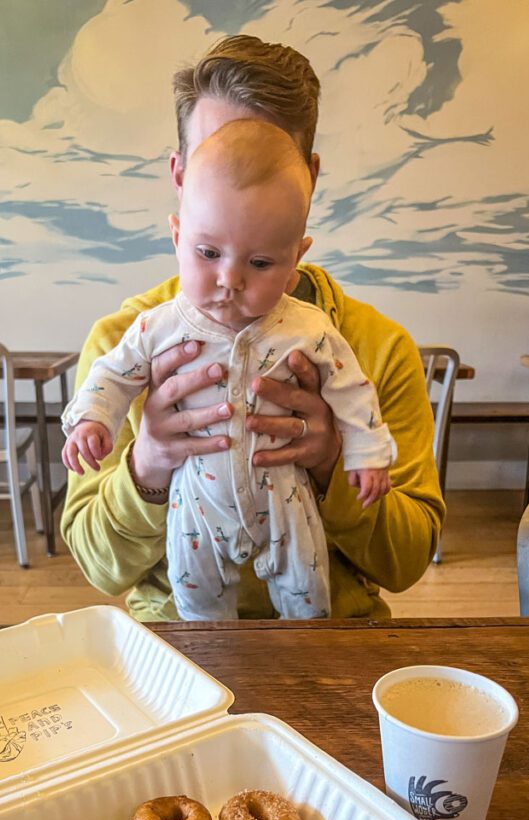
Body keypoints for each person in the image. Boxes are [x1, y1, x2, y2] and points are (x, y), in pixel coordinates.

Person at [61, 35, 444, 621]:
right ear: (179, 176)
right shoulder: (125, 338)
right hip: (178, 641)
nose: (233, 278)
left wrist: (332, 465)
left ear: (309, 180)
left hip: (335, 641)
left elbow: (409, 560)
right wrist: (149, 463)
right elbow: (97, 565)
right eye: (217, 161)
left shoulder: (377, 349)